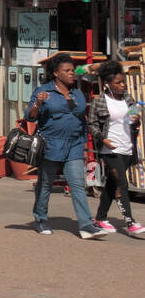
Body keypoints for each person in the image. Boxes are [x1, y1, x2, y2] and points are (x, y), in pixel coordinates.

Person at [28, 53, 107, 239]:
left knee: (78, 184)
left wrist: (85, 147)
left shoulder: (77, 93)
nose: (72, 73)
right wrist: (38, 103)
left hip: (74, 144)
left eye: (73, 70)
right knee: (45, 184)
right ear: (56, 73)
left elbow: (82, 119)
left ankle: (86, 225)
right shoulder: (44, 92)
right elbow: (30, 116)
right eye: (67, 70)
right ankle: (41, 218)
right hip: (50, 144)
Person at [87, 61, 145, 237]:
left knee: (112, 185)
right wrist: (103, 139)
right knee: (122, 183)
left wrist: (136, 120)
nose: (122, 85)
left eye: (123, 82)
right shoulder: (99, 101)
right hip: (110, 149)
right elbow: (92, 124)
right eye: (118, 83)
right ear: (107, 84)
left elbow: (134, 121)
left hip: (128, 147)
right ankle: (130, 222)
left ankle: (100, 218)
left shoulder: (128, 98)